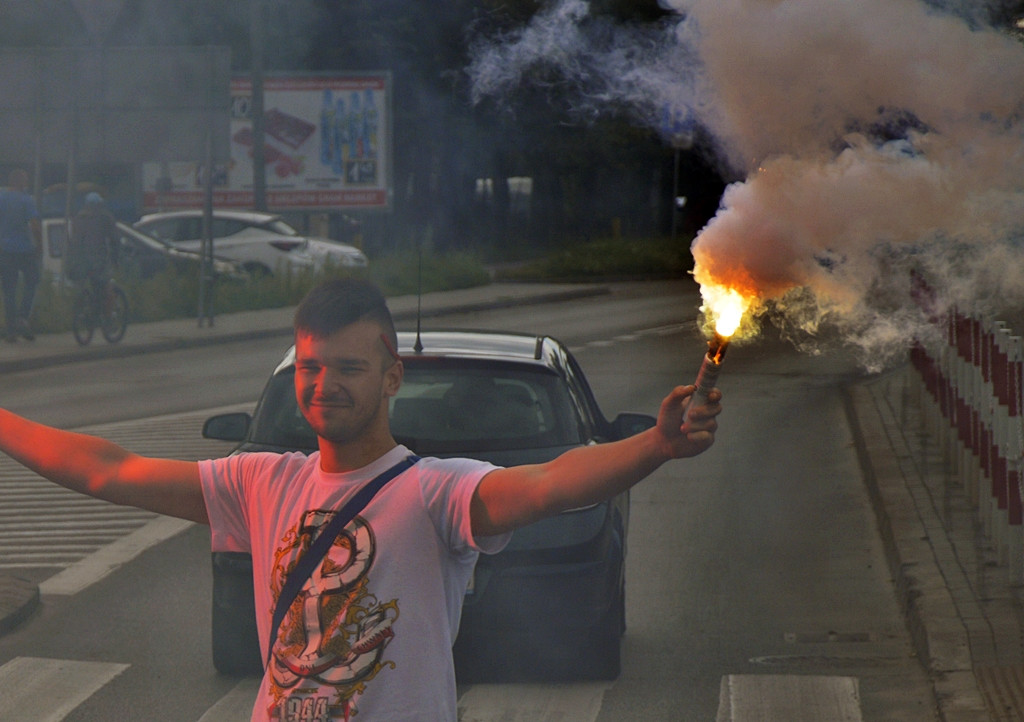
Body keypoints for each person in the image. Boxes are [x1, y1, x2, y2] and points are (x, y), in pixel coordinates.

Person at [0, 278, 722, 721]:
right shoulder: (260, 482)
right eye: (311, 367)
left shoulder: (435, 491)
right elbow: (108, 470)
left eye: (348, 367)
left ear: (391, 376)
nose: (324, 384)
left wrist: (655, 446)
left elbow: (545, 486)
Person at [0, 168, 41, 342]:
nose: (28, 182)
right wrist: (40, 245)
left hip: (5, 250)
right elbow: (34, 225)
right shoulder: (27, 200)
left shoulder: (1, 198)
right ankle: (22, 319)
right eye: (25, 180)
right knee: (33, 280)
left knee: (9, 289)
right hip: (24, 250)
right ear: (20, 182)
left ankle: (11, 332)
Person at [67, 191, 119, 293]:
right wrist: (115, 259)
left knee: (79, 288)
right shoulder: (105, 218)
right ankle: (107, 308)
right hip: (99, 260)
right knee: (107, 287)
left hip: (79, 261)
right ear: (99, 205)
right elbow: (115, 240)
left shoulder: (77, 218)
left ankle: (81, 303)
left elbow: (73, 241)